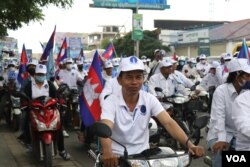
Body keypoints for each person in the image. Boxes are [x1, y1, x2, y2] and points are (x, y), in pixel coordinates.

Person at [100, 56, 204, 167]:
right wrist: (107, 151)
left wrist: (190, 145)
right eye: (129, 77)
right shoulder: (110, 101)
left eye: (138, 77)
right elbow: (106, 127)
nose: (134, 82)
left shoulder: (149, 99)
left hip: (143, 158)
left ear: (143, 79)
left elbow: (168, 122)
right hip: (116, 158)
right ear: (120, 80)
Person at [206, 58, 250, 167]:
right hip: (221, 132)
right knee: (221, 154)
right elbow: (218, 118)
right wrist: (222, 139)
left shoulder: (247, 92)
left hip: (243, 134)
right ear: (237, 75)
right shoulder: (221, 91)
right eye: (248, 76)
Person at [22, 64, 71, 160]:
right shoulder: (29, 86)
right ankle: (28, 143)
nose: (40, 76)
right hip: (35, 111)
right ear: (35, 74)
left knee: (59, 125)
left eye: (42, 74)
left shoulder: (49, 84)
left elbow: (56, 96)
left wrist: (61, 101)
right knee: (24, 120)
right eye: (39, 74)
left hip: (49, 110)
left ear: (45, 75)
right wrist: (24, 103)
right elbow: (24, 98)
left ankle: (62, 150)